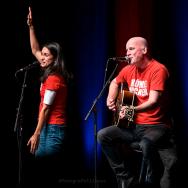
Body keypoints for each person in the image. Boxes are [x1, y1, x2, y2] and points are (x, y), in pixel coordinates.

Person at [97, 37, 177, 188]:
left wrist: (131, 109)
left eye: (131, 49)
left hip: (157, 126)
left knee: (147, 144)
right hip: (135, 127)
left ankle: (151, 181)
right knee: (103, 135)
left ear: (144, 50)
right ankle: (125, 179)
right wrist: (110, 98)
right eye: (126, 49)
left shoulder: (158, 69)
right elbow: (114, 82)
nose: (127, 53)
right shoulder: (128, 69)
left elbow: (153, 101)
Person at [26, 6, 71, 187]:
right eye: (42, 55)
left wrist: (36, 134)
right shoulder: (48, 70)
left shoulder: (53, 78)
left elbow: (46, 108)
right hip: (45, 127)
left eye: (46, 55)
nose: (41, 58)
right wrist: (31, 27)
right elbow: (35, 49)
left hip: (53, 130)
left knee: (48, 172)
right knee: (41, 171)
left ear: (54, 58)